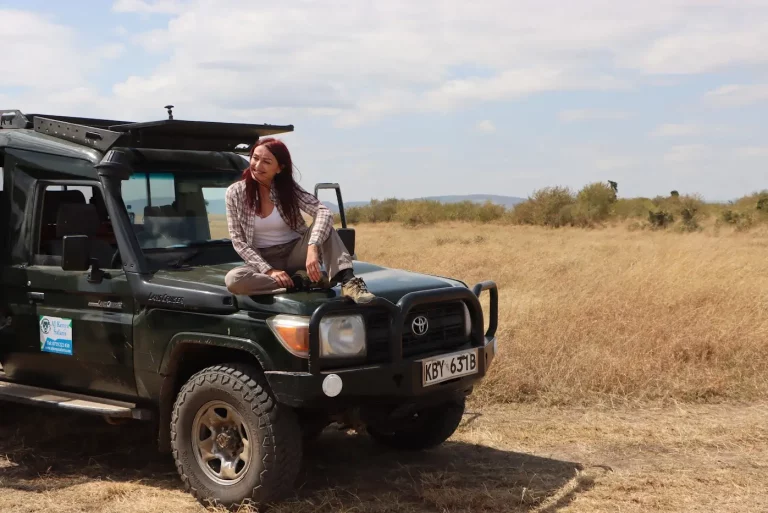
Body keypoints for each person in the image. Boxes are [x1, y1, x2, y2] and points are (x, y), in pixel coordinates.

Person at [224, 137, 374, 303]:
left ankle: (349, 281)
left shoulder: (288, 189)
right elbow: (239, 241)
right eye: (255, 158)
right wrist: (269, 271)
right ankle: (298, 282)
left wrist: (313, 246)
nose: (257, 166)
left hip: (296, 252)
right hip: (262, 259)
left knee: (324, 226)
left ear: (279, 168)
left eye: (266, 162)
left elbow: (323, 212)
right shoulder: (235, 193)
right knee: (234, 280)